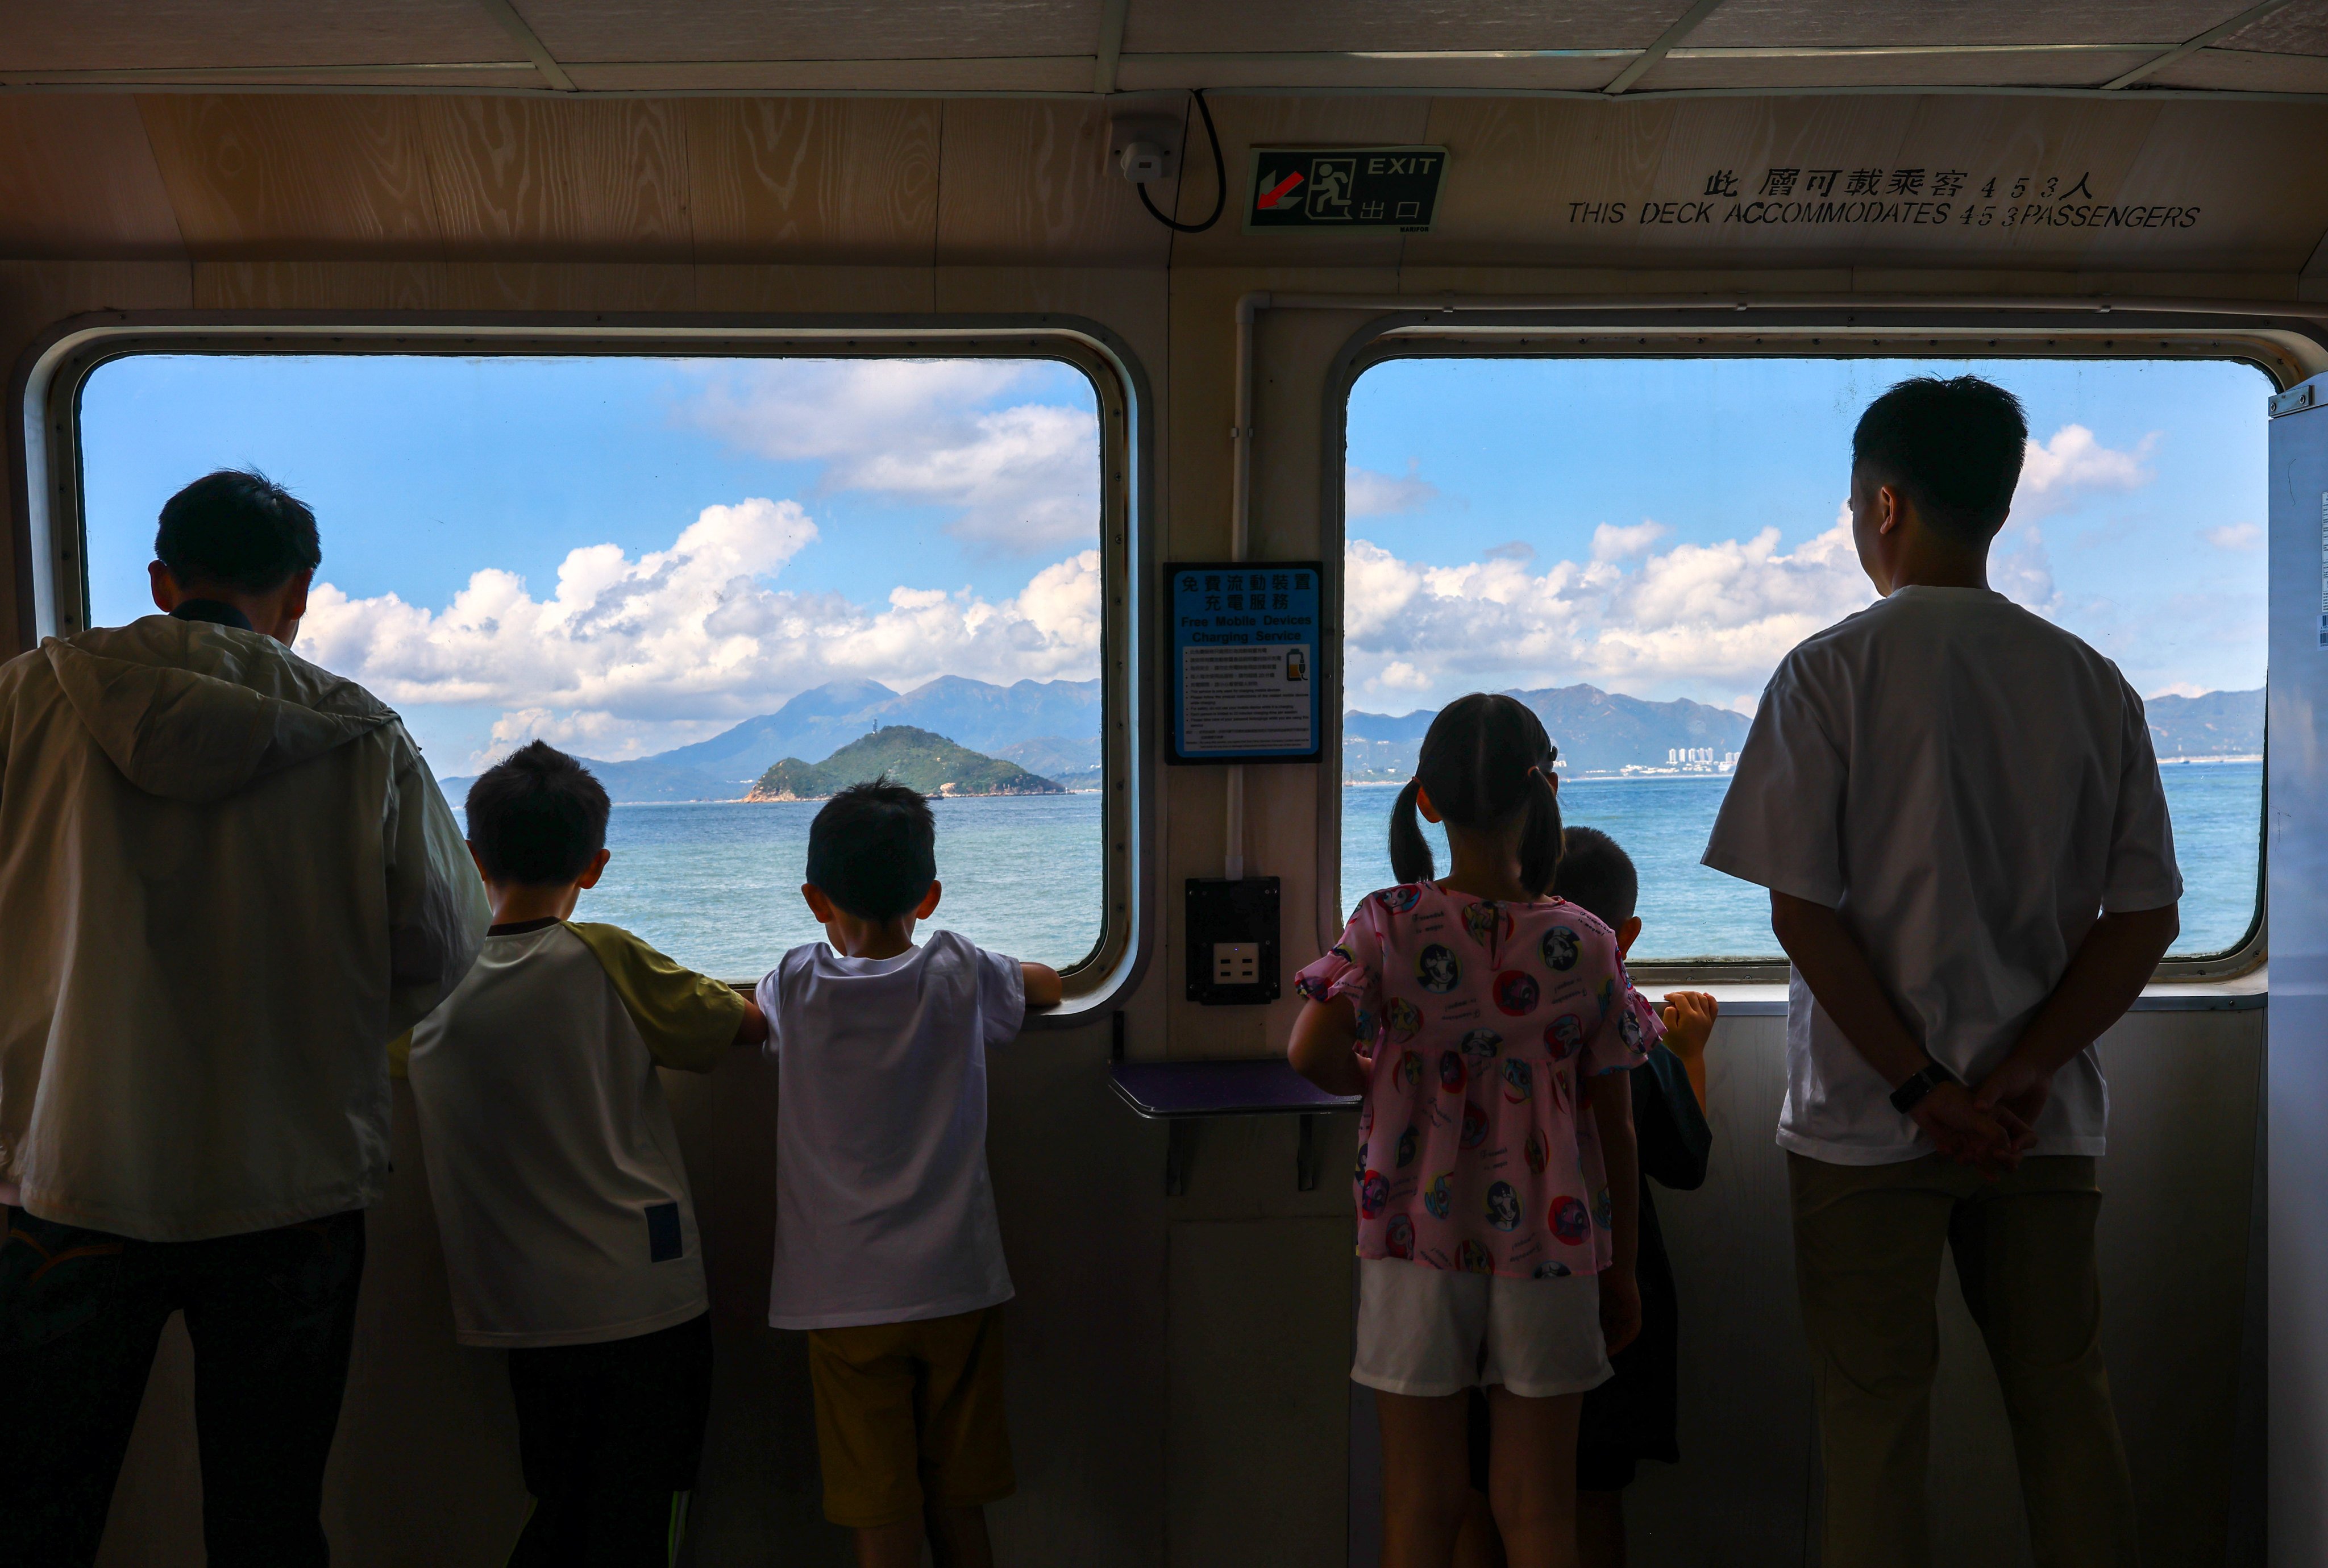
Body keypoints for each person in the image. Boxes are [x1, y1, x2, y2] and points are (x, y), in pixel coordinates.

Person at [1703, 376, 2181, 1568]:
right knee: (2066, 1412)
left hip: (1865, 1128)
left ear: (1882, 505)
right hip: (2040, 1125)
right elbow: (2141, 920)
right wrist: (2016, 1073)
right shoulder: (2091, 683)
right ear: (1998, 509)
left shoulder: (1826, 672)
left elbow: (1802, 917)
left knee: (1873, 1430)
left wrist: (1923, 1090)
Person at [0, 468, 489, 1565]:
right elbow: (444, 946)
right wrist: (332, 1023)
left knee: (37, 1511)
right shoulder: (365, 741)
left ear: (164, 580)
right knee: (269, 1518)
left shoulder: (27, 701)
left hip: (67, 1173)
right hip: (293, 1186)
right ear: (301, 593)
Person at [1287, 693, 1658, 1568]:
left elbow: (1310, 1049)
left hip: (1414, 1231)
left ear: (1426, 798)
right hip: (1555, 1240)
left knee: (1421, 1506)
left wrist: (1384, 1081)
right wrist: (1624, 1267)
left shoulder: (1387, 923)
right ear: (1544, 794)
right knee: (1539, 1511)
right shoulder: (1587, 942)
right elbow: (1619, 1125)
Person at [401, 742, 768, 1566]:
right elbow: (742, 1026)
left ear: (470, 859)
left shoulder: (435, 982)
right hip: (647, 1295)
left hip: (519, 1309)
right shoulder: (607, 956)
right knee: (643, 1520)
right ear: (595, 866)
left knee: (560, 1505)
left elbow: (373, 1040)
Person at [755, 776, 1063, 1568]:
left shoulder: (794, 982)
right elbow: (1048, 985)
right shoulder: (960, 970)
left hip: (842, 1293)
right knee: (959, 1497)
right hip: (957, 1281)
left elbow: (753, 1022)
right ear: (928, 897)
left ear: (815, 899)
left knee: (880, 1508)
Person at [1454, 827, 1721, 1568]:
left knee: (1476, 1495)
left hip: (1487, 1282)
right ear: (1625, 935)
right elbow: (1685, 1157)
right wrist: (1691, 1055)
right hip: (1608, 1297)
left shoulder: (1479, 1016)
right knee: (1592, 1493)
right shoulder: (1629, 1023)